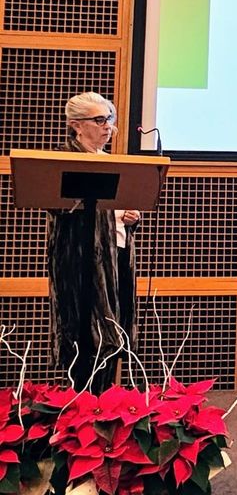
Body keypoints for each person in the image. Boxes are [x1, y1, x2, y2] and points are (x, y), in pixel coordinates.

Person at [46, 92, 141, 391]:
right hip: (82, 261)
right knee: (88, 334)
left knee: (114, 331)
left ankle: (104, 402)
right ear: (76, 125)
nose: (108, 126)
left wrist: (131, 216)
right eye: (99, 120)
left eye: (109, 119)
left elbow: (119, 210)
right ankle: (83, 403)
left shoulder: (112, 162)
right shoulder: (63, 159)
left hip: (117, 256)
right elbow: (58, 205)